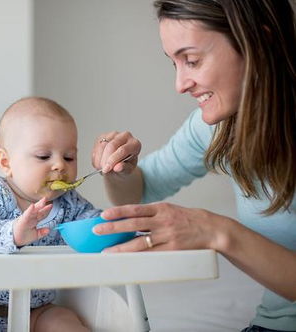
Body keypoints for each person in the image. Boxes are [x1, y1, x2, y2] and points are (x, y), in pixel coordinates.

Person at [91, 1, 295, 331]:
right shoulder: (216, 128)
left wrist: (217, 231)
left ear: (261, 42)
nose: (180, 84)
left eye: (192, 60)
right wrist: (123, 170)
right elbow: (141, 192)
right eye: (174, 63)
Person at [0, 97, 97, 332]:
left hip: (38, 310)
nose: (60, 166)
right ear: (6, 162)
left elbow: (93, 224)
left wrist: (114, 225)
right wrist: (12, 233)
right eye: (44, 156)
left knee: (65, 322)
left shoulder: (69, 203)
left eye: (69, 157)